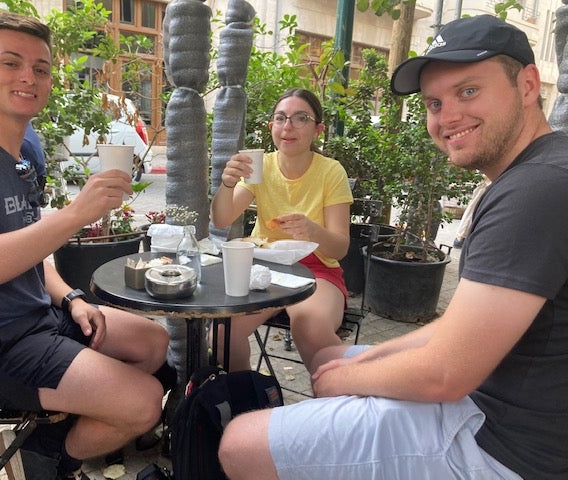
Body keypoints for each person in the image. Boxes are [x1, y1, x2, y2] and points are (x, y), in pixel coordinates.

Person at [218, 15, 568, 480]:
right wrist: (367, 360)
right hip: (490, 399)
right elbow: (221, 218)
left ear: (527, 85)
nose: (448, 116)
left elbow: (446, 372)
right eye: (435, 103)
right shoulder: (536, 174)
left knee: (240, 443)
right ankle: (252, 402)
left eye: (469, 91)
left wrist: (346, 379)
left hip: (498, 442)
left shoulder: (535, 189)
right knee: (315, 356)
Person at [0, 12, 171, 480]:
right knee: (142, 403)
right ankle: (51, 459)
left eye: (41, 68)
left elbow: (29, 246)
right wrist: (75, 214)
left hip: (35, 317)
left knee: (153, 341)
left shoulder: (28, 149)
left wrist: (71, 297)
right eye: (11, 63)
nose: (28, 77)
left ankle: (51, 439)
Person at [210, 88, 353, 372]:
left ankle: (340, 404)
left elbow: (339, 248)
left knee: (310, 327)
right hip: (264, 266)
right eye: (281, 118)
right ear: (271, 126)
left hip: (317, 269)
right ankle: (252, 403)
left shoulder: (331, 171)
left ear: (317, 130)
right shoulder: (260, 167)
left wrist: (312, 230)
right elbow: (222, 219)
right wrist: (226, 184)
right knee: (221, 334)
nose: (288, 126)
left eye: (301, 118)